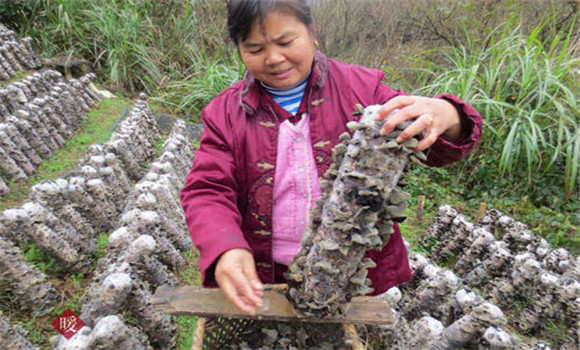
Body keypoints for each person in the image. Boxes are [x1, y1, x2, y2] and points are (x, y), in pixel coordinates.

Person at [180, 0, 482, 315]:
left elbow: (426, 134)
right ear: (239, 49)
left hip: (352, 277)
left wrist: (449, 115)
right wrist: (225, 246)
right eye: (255, 49)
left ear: (312, 32)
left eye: (285, 42)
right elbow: (208, 189)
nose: (273, 58)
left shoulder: (363, 88)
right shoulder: (225, 112)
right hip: (264, 276)